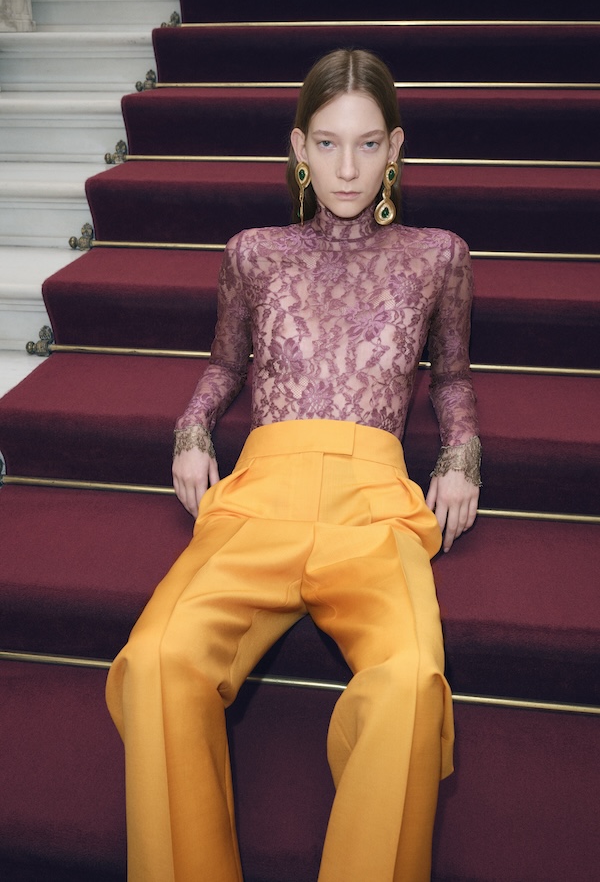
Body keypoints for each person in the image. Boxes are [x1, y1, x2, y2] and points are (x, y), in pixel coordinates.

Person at [106, 48, 481, 882]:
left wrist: (461, 455)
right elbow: (225, 365)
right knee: (159, 658)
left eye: (368, 144)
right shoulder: (253, 251)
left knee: (412, 682)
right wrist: (192, 431)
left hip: (374, 505)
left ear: (395, 149)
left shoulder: (438, 255)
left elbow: (451, 378)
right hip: (261, 496)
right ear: (298, 148)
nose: (348, 168)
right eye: (329, 143)